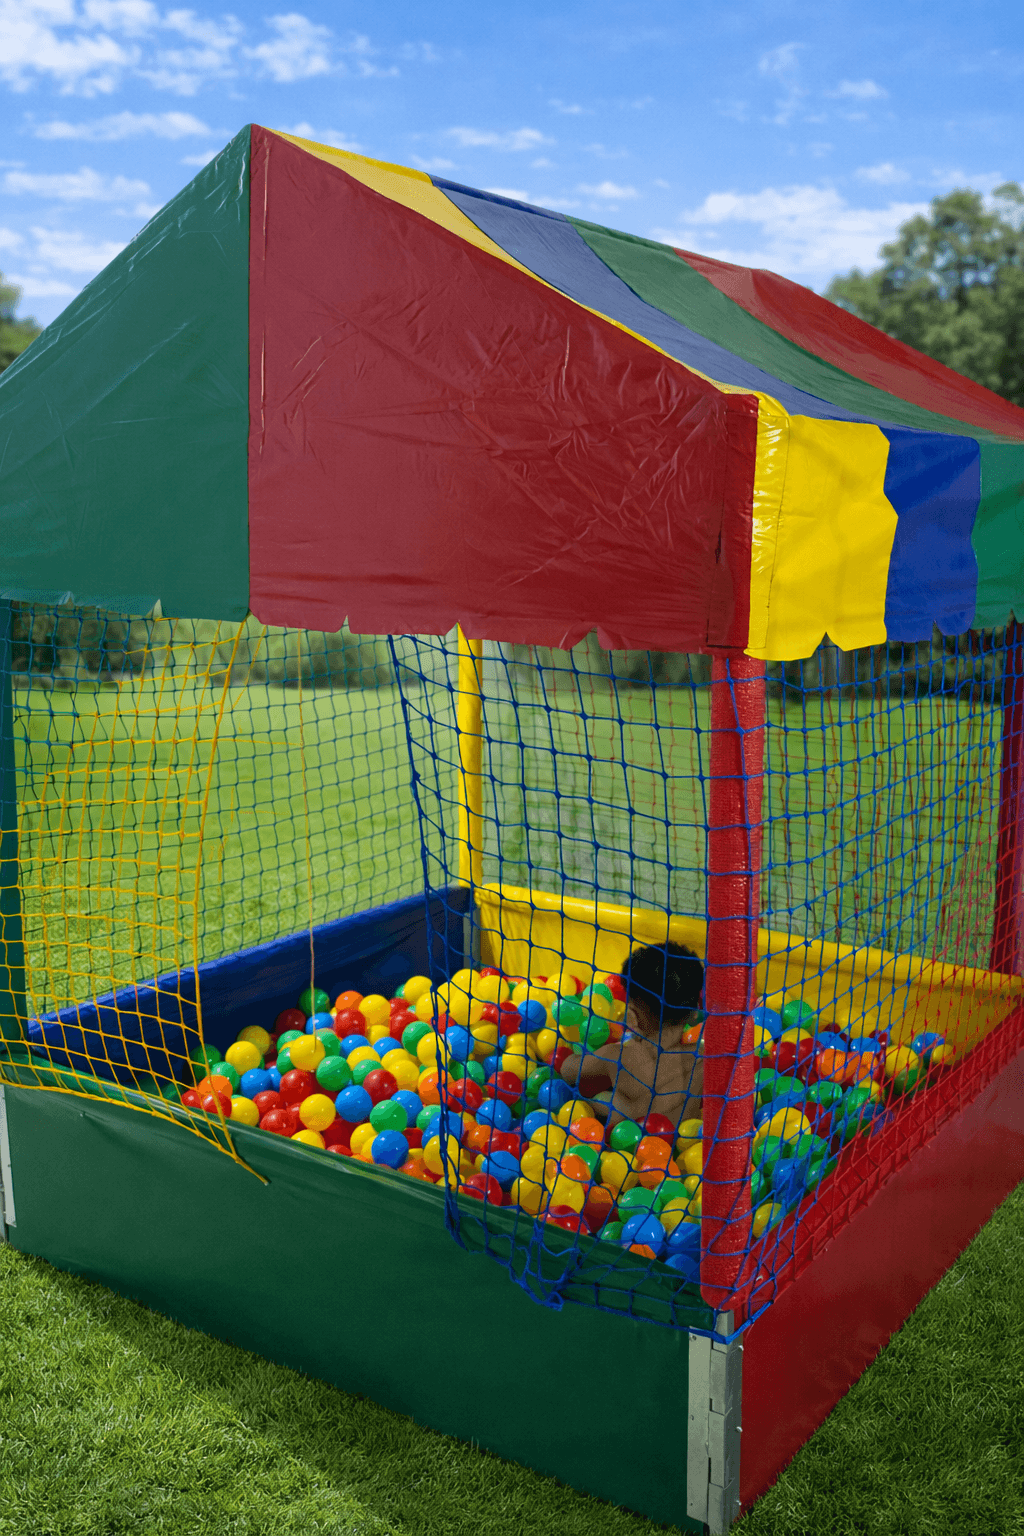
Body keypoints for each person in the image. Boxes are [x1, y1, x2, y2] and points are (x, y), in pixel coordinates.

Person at [558, 941, 704, 1128]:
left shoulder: (618, 1057)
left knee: (609, 1103)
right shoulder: (703, 1058)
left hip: (628, 1151)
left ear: (632, 1015)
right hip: (684, 1149)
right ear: (694, 1013)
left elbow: (568, 1071)